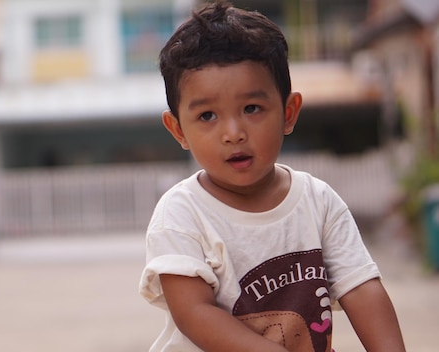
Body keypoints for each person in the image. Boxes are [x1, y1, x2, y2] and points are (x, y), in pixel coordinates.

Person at [138, 2, 406, 351]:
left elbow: (361, 287)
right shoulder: (181, 213)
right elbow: (194, 312)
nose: (233, 133)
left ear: (288, 113)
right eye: (207, 116)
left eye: (251, 109)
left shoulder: (318, 201)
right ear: (178, 130)